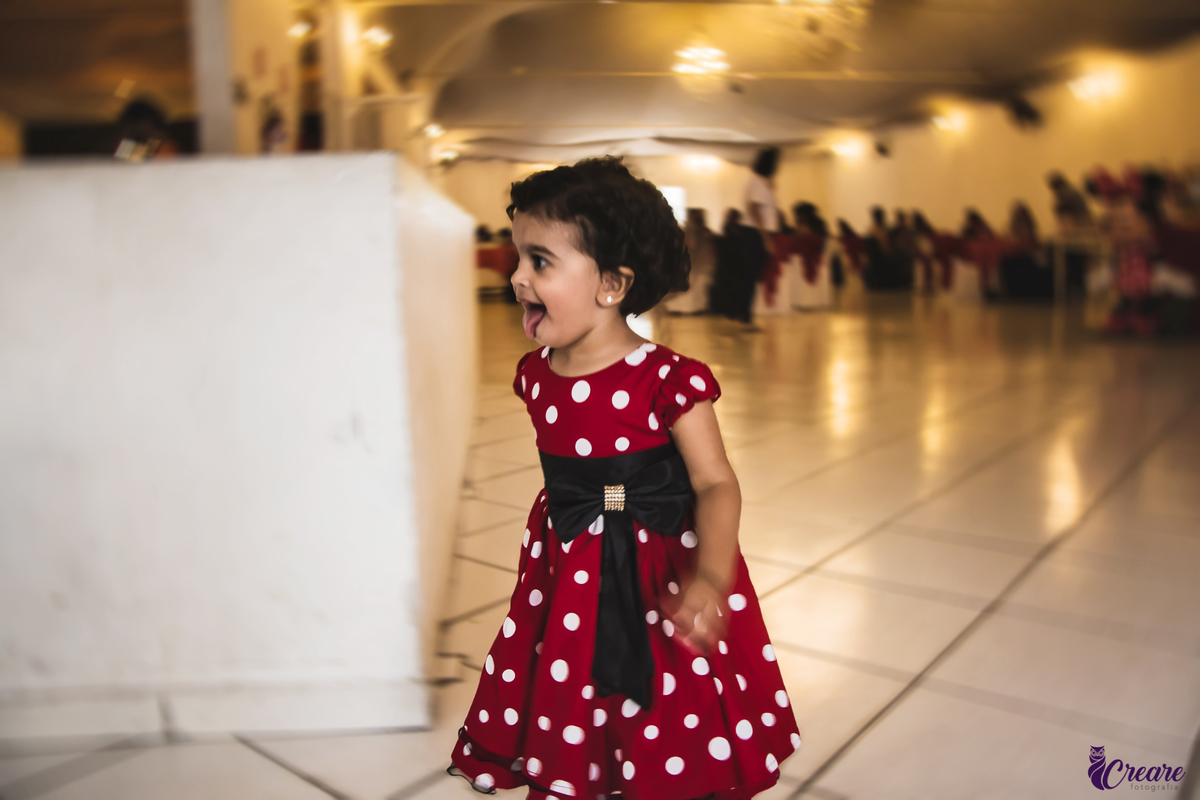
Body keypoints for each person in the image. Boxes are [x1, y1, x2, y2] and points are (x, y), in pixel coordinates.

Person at [448, 158, 800, 799]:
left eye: (539, 261)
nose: (517, 276)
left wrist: (711, 579)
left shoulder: (669, 379)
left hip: (658, 565)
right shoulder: (535, 375)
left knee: (666, 700)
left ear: (612, 285)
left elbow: (717, 483)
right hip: (571, 559)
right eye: (517, 258)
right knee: (572, 679)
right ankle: (586, 771)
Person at [711, 209, 769, 324]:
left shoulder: (737, 233)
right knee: (743, 293)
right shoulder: (744, 233)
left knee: (740, 293)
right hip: (739, 269)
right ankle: (741, 314)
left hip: (737, 270)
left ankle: (739, 314)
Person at [666, 209, 717, 313]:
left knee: (696, 290)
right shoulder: (696, 231)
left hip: (698, 265)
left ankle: (694, 309)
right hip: (696, 265)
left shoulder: (698, 231)